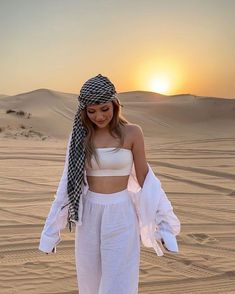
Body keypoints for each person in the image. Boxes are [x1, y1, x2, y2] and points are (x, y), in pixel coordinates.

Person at [39, 74, 180, 294]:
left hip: (122, 214)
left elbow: (146, 180)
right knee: (90, 283)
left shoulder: (133, 133)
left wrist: (164, 226)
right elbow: (67, 183)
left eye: (104, 109)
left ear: (115, 103)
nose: (99, 116)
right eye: (91, 111)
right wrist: (50, 234)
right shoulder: (80, 136)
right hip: (89, 215)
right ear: (84, 111)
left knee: (119, 283)